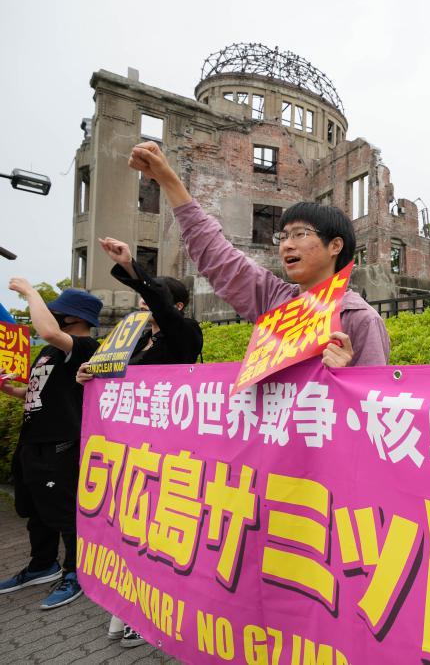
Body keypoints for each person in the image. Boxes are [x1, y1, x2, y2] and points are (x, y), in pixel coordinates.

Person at [127, 141, 389, 369]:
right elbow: (216, 254)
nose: (286, 245)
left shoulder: (360, 319)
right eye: (283, 237)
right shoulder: (274, 299)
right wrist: (167, 179)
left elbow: (375, 400)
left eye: (300, 234)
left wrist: (345, 376)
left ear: (335, 246)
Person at [75, 237, 204, 648]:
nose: (145, 305)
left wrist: (133, 268)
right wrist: (89, 375)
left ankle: (154, 615)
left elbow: (162, 307)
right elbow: (112, 378)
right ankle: (128, 608)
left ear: (175, 306)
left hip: (169, 453)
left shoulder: (185, 335)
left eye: (154, 299)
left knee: (159, 534)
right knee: (130, 529)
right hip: (129, 451)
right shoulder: (131, 340)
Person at [0, 284, 102, 609]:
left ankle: (75, 572)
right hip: (33, 440)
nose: (51, 314)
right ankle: (42, 565)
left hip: (60, 444)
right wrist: (11, 390)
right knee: (36, 511)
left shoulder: (85, 347)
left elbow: (47, 329)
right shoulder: (48, 352)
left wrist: (30, 292)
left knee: (65, 512)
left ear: (72, 317)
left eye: (56, 310)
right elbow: (38, 390)